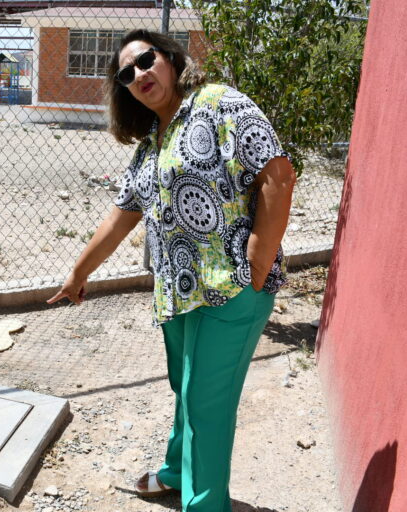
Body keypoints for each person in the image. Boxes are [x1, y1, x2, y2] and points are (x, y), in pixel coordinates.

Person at [47, 29, 296, 511]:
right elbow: (120, 218)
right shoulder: (151, 145)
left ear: (171, 59)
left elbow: (278, 174)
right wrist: (78, 273)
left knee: (207, 403)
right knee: (187, 391)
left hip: (231, 289)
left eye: (146, 60)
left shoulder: (219, 103)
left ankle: (204, 504)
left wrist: (261, 256)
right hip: (180, 293)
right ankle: (176, 474)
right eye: (126, 73)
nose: (139, 74)